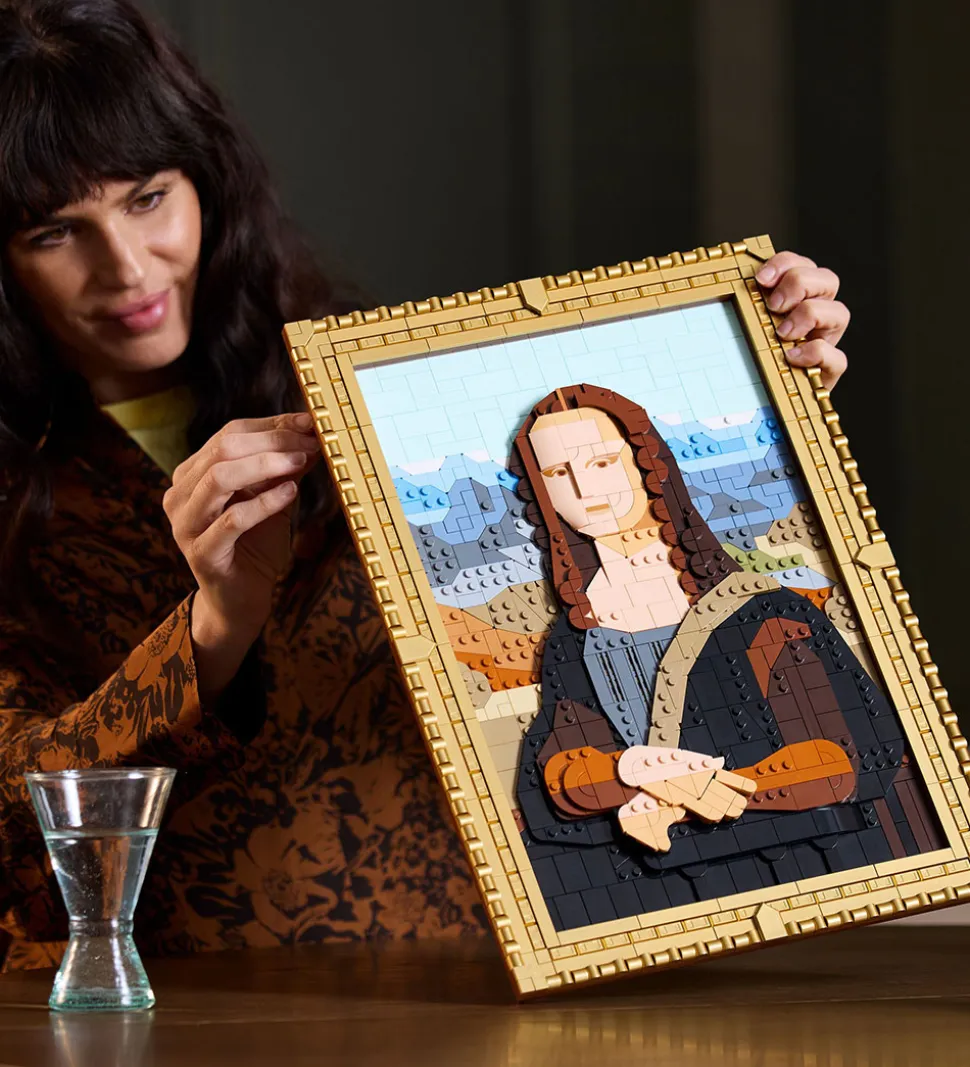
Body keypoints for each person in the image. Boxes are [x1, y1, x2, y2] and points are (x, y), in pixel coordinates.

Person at [0, 0, 855, 971]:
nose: (124, 266)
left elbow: (588, 640)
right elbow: (17, 838)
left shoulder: (380, 389)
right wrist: (213, 629)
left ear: (207, 180)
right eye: (55, 231)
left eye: (148, 197)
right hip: (182, 1005)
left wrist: (758, 385)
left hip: (475, 975)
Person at [510, 386, 943, 929]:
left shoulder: (764, 610)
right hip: (654, 905)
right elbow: (555, 775)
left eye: (601, 462)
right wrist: (631, 771)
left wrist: (703, 793)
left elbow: (849, 756)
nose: (582, 489)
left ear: (647, 463)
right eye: (557, 474)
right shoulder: (573, 638)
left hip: (812, 876)